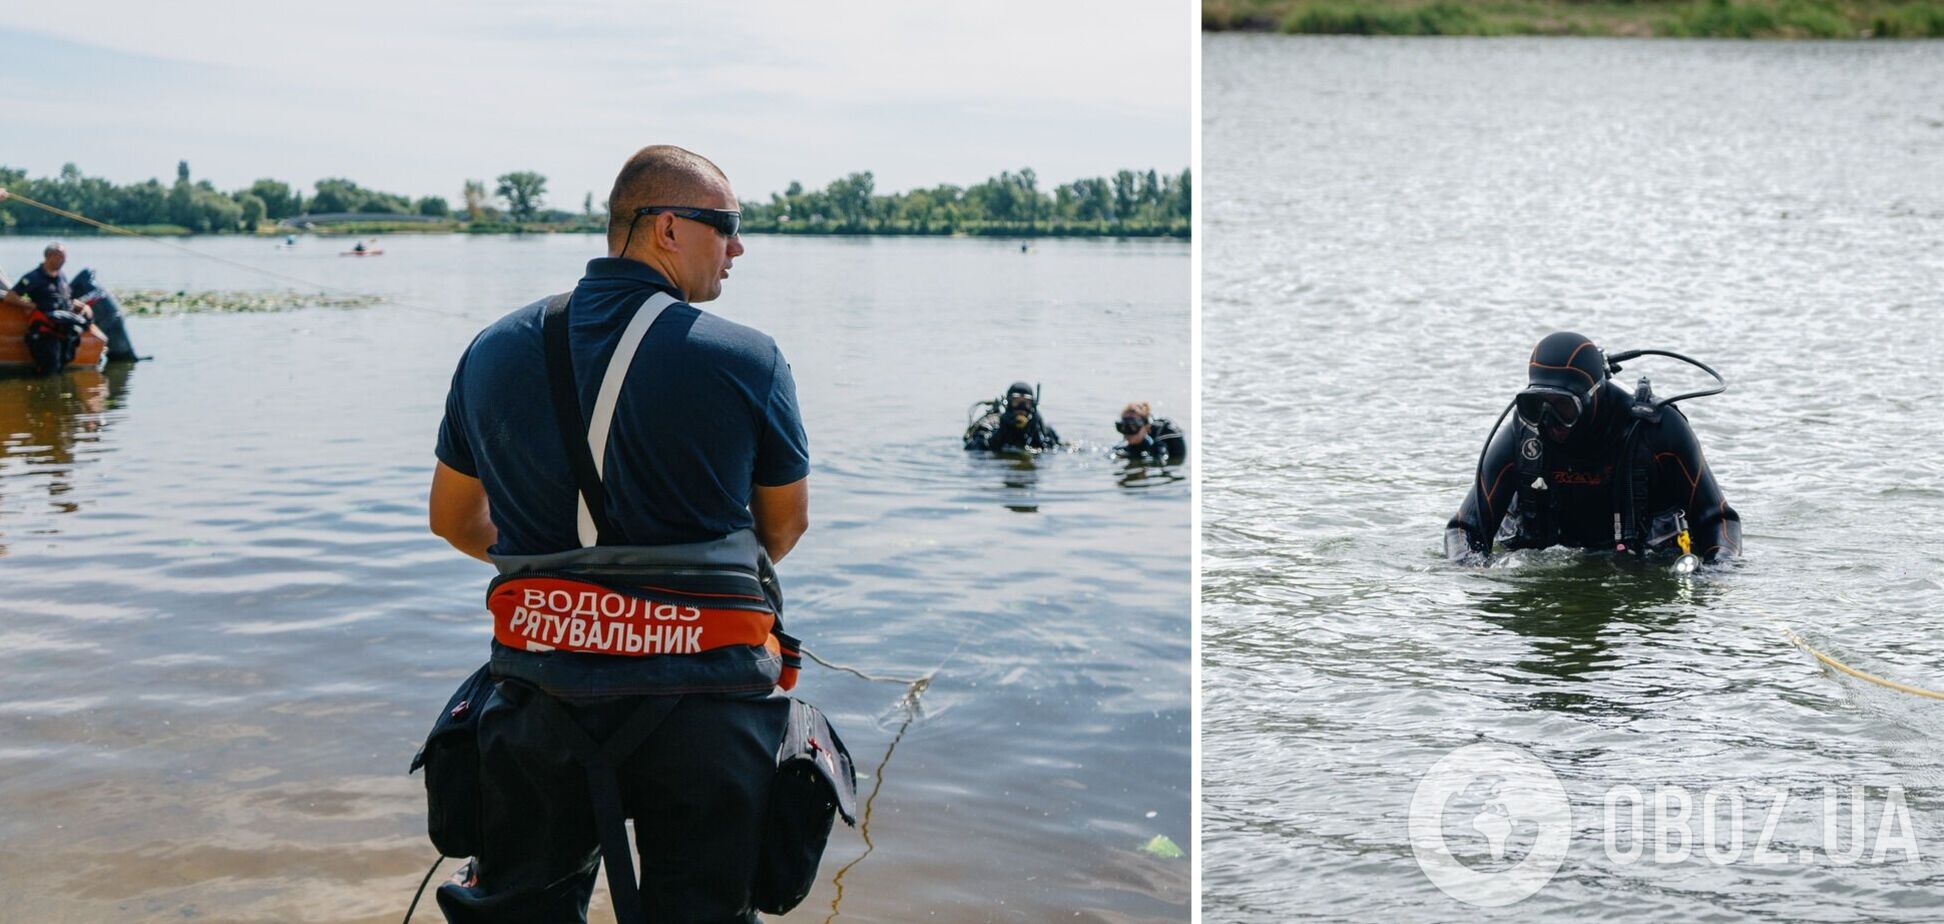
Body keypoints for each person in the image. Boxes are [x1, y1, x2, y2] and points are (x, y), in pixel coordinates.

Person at [425, 145, 850, 923]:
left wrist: (564, 580)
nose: (739, 247)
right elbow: (783, 528)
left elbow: (452, 520)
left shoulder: (490, 349)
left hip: (539, 694)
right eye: (726, 227)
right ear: (665, 228)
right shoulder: (747, 359)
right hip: (708, 706)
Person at [1445, 331, 1742, 564]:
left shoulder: (1658, 431)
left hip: (1642, 562)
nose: (1550, 421)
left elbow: (1719, 518)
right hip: (1548, 556)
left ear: (1593, 396)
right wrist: (1471, 566)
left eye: (1564, 406)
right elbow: (1463, 528)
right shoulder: (1523, 436)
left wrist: (1719, 569)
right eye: (1537, 405)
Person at [4, 242, 94, 375]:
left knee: (62, 365)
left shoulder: (61, 277)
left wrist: (78, 306)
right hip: (44, 333)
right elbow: (11, 297)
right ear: (50, 256)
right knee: (49, 369)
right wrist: (30, 305)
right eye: (61, 257)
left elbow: (66, 299)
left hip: (63, 331)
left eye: (64, 257)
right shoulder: (33, 277)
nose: (64, 261)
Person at [963, 381, 1062, 451]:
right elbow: (972, 449)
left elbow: (1055, 450)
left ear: (1033, 405)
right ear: (1009, 403)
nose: (1021, 407)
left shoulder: (1040, 427)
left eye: (1026, 403)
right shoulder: (991, 424)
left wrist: (1038, 434)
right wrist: (1001, 433)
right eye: (1016, 402)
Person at [1113, 401, 1187, 464]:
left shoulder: (1160, 444)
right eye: (1123, 427)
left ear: (1146, 427)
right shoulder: (1122, 447)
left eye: (1132, 427)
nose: (1127, 433)